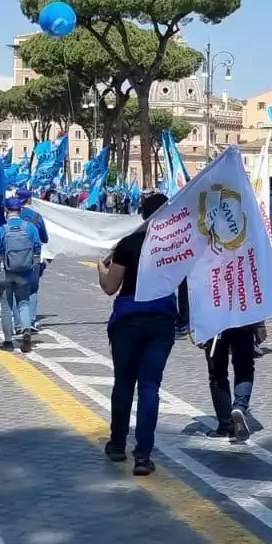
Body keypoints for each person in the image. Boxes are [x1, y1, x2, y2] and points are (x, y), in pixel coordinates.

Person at [97, 192, 183, 476]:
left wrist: (101, 268)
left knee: (123, 383)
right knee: (150, 387)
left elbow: (111, 286)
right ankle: (143, 455)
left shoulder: (129, 243)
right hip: (161, 322)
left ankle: (118, 443)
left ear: (143, 215)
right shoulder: (173, 245)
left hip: (128, 321)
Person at [0, 197, 40, 351]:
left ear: (6, 210)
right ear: (20, 210)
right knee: (23, 303)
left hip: (4, 271)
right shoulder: (30, 228)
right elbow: (37, 248)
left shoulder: (0, 230)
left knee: (6, 307)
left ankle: (8, 341)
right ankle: (26, 330)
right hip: (24, 271)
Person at [203, 322, 261, 442]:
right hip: (243, 321)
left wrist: (195, 328)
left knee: (217, 374)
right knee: (244, 367)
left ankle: (226, 426)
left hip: (214, 325)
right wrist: (260, 324)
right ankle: (240, 405)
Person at [17, 190, 49, 325]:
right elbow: (45, 238)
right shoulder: (36, 217)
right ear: (29, 200)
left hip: (14, 257)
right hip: (33, 258)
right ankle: (30, 320)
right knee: (33, 289)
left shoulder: (11, 215)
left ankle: (18, 322)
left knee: (15, 289)